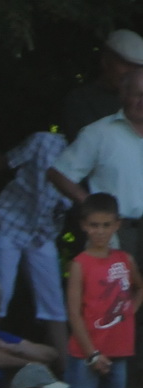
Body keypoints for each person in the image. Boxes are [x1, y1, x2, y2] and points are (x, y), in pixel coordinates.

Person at [0, 130, 71, 351]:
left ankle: (68, 375)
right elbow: (7, 160)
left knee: (53, 301)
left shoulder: (93, 155)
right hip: (10, 221)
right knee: (1, 295)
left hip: (42, 232)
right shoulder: (44, 141)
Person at [64, 192, 140, 388]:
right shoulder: (80, 263)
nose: (100, 231)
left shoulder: (125, 259)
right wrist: (92, 353)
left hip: (119, 350)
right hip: (86, 353)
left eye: (106, 225)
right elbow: (73, 313)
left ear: (117, 225)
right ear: (84, 225)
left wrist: (127, 313)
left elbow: (137, 287)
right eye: (94, 225)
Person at [50, 66, 143, 260]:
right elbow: (58, 173)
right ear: (123, 94)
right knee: (115, 291)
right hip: (116, 232)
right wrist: (94, 207)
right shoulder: (99, 133)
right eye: (138, 95)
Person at [63, 29, 143, 140]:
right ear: (105, 61)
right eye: (125, 64)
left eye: (137, 67)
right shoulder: (81, 99)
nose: (131, 72)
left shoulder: (137, 102)